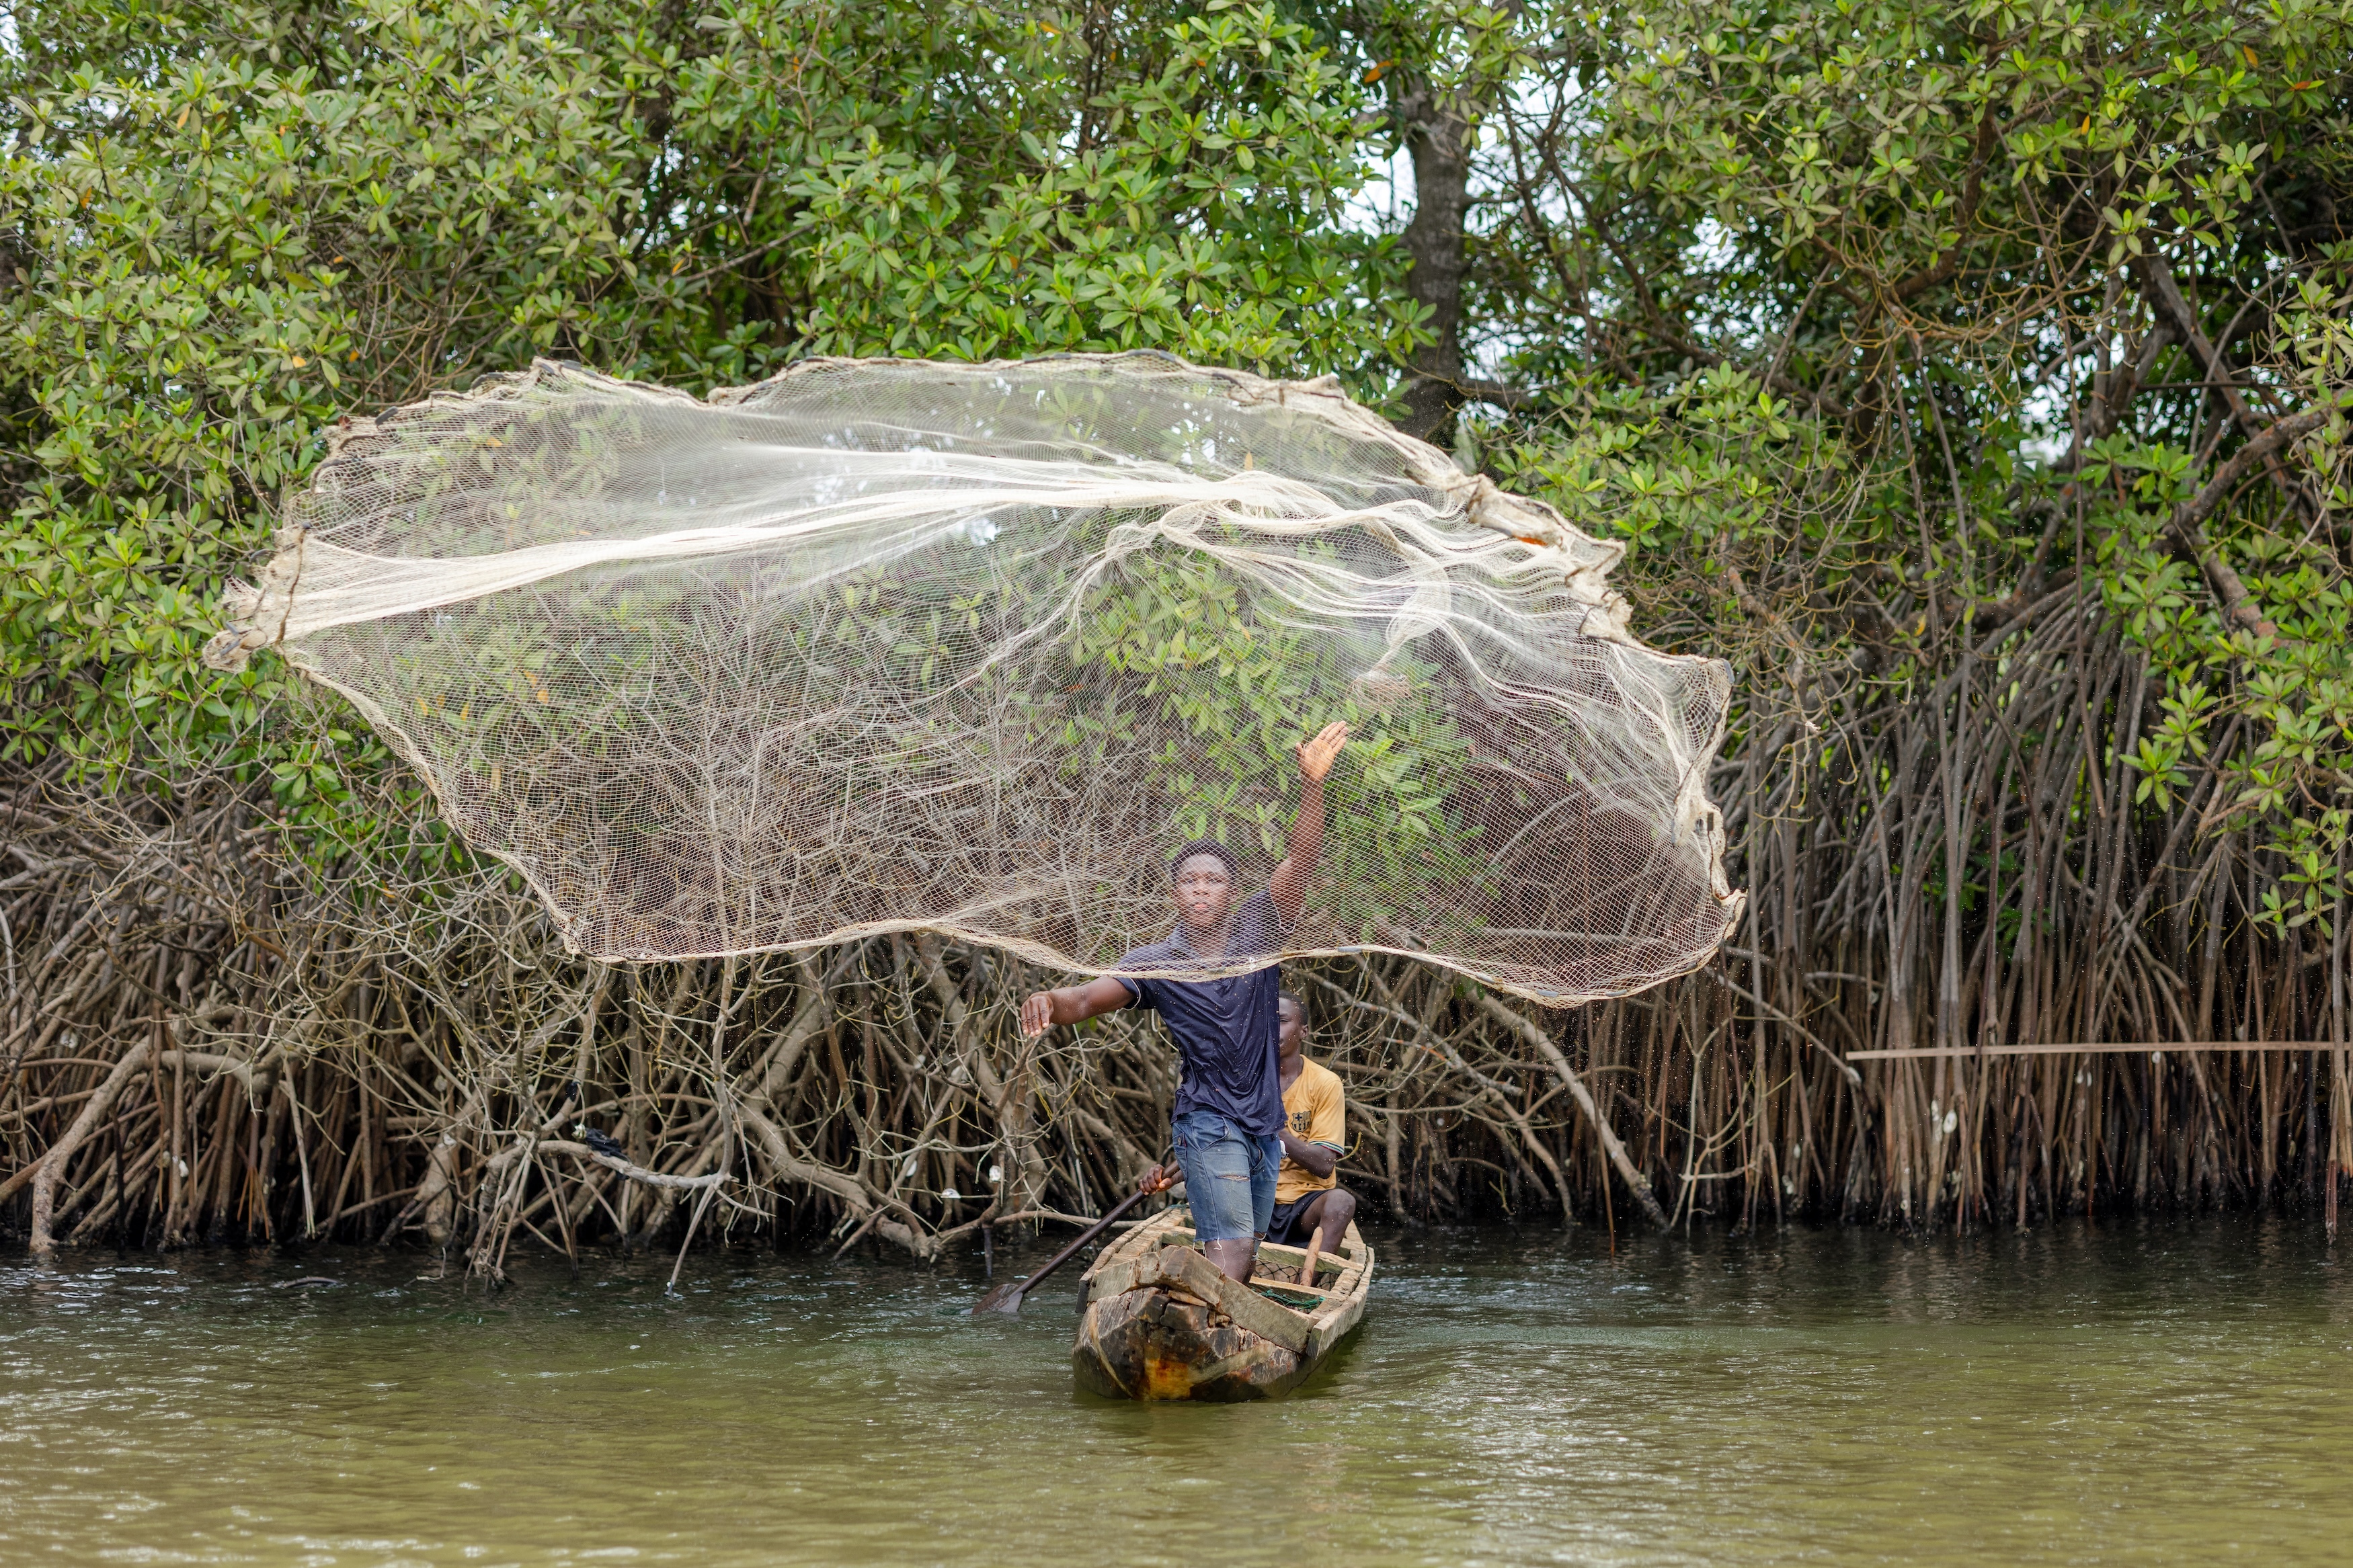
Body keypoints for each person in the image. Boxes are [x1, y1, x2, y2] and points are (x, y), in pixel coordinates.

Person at [1020, 721, 1350, 1284]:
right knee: (1232, 1246)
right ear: (1175, 893)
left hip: (1264, 1123)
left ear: (1232, 889)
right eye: (1190, 880)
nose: (1200, 888)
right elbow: (1082, 998)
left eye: (1214, 880)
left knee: (1242, 1249)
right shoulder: (1157, 962)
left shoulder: (1260, 929)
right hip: (1207, 1122)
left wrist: (1312, 785)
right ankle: (1201, 1344)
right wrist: (1049, 999)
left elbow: (1303, 860)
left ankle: (1207, 1330)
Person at [1263, 988, 1355, 1284]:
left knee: (1341, 1203)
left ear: (1303, 1031)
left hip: (1304, 1205)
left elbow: (1325, 1164)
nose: (1271, 1026)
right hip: (1254, 1198)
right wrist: (1168, 1177)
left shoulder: (1326, 1083)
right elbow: (1214, 1140)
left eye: (1281, 1020)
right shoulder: (1245, 1082)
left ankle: (1311, 1288)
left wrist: (1271, 1127)